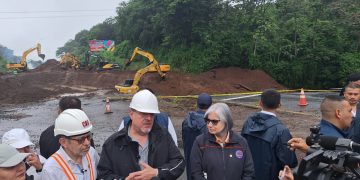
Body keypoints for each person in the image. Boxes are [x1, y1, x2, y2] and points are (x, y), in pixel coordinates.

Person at [97, 89, 185, 179]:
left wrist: (157, 172)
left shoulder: (163, 136)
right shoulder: (113, 143)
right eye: (143, 113)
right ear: (131, 114)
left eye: (152, 114)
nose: (149, 118)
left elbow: (179, 162)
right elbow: (103, 176)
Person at [241, 89, 297, 180]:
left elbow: (241, 147)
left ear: (260, 103)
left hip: (248, 174)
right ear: (279, 105)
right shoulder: (281, 130)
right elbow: (289, 161)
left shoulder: (248, 122)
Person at [190, 103, 255, 180]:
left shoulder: (241, 142)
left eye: (214, 121)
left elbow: (249, 173)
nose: (209, 125)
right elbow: (196, 173)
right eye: (207, 120)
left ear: (226, 121)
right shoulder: (200, 142)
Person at [41, 109, 99, 180]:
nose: (87, 143)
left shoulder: (91, 152)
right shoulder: (51, 169)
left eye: (88, 136)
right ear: (63, 142)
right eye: (80, 140)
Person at [289, 95, 353, 152]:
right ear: (338, 113)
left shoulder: (318, 131)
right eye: (349, 111)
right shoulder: (336, 142)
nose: (352, 115)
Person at [182, 92, 212, 180]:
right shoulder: (209, 125)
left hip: (190, 162)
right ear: (211, 105)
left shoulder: (186, 122)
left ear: (197, 104)